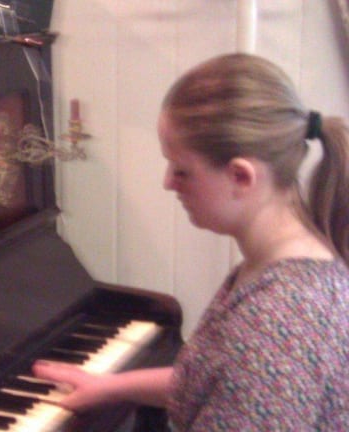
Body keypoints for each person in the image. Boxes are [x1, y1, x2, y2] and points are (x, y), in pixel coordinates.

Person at [33, 53, 349, 430]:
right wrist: (110, 386)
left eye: (182, 170)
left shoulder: (275, 324)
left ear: (241, 177)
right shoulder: (290, 265)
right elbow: (211, 382)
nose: (168, 182)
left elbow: (253, 371)